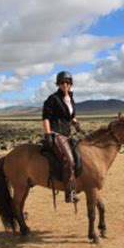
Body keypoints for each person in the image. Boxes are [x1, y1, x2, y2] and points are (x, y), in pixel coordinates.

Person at [42, 71, 82, 203]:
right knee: (68, 160)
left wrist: (75, 122)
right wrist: (48, 134)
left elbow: (70, 116)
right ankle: (69, 193)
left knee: (79, 154)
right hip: (56, 133)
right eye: (62, 82)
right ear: (58, 84)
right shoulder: (53, 99)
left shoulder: (70, 98)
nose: (65, 84)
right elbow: (46, 118)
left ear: (71, 84)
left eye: (67, 82)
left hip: (67, 134)